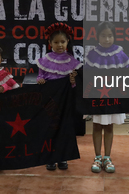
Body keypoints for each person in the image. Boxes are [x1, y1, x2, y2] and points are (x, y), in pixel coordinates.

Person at [85, 21, 129, 173]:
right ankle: (97, 157)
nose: (107, 39)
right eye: (103, 36)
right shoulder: (92, 54)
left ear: (114, 36)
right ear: (97, 36)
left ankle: (107, 157)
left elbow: (127, 72)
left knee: (109, 126)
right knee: (97, 126)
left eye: (110, 36)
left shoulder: (120, 54)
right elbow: (86, 76)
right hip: (97, 98)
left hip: (113, 97)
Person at [36, 23, 82, 171]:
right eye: (56, 42)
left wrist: (73, 81)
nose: (59, 45)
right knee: (50, 127)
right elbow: (40, 76)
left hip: (66, 101)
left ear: (68, 42)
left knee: (64, 129)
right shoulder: (45, 60)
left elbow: (75, 85)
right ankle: (50, 157)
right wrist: (40, 80)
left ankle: (63, 157)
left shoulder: (72, 62)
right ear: (50, 44)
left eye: (62, 41)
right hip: (49, 100)